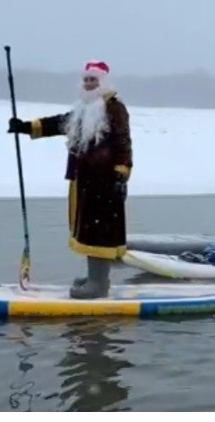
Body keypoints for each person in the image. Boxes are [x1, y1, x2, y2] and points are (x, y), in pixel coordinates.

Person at [8, 61, 132, 299]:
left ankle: (99, 283)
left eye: (93, 80)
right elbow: (59, 123)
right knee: (88, 229)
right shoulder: (84, 109)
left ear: (103, 82)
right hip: (85, 181)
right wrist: (25, 126)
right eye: (86, 79)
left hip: (106, 182)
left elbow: (123, 141)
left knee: (100, 230)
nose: (88, 83)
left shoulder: (115, 108)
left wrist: (121, 173)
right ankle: (94, 276)